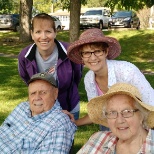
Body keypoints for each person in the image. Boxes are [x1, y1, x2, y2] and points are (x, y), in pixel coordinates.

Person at [67, 28, 154, 130]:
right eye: (86, 53)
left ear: (106, 51)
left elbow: (150, 103)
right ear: (82, 56)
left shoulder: (127, 70)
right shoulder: (89, 78)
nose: (93, 58)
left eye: (98, 51)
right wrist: (74, 123)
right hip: (111, 125)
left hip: (141, 124)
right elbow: (97, 112)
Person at [18, 13, 82, 120]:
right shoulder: (24, 56)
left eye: (48, 31)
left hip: (69, 104)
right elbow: (27, 79)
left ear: (55, 33)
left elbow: (77, 76)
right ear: (32, 34)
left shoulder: (70, 51)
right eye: (38, 32)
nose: (43, 37)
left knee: (68, 136)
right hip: (41, 107)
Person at [0, 72, 76, 153]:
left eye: (43, 92)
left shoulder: (59, 123)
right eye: (33, 93)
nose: (37, 98)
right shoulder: (22, 107)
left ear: (55, 93)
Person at [77, 83, 154, 154]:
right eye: (112, 113)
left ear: (141, 115)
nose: (119, 120)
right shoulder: (97, 139)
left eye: (127, 111)